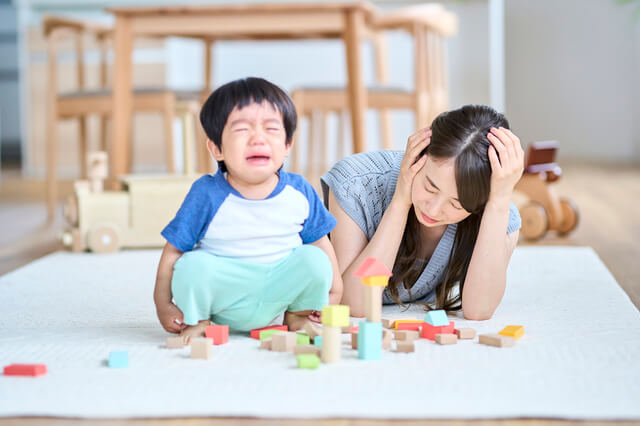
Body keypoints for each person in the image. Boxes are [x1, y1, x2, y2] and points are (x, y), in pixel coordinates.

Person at [154, 77, 342, 340]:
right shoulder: (207, 194)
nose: (258, 139)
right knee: (192, 266)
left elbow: (321, 243)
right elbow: (173, 250)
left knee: (314, 260)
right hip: (224, 290)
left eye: (271, 129)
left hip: (279, 284)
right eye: (242, 130)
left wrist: (333, 293)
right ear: (217, 148)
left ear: (287, 145)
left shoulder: (298, 191)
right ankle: (200, 320)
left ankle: (298, 316)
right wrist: (163, 304)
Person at [321, 104, 523, 320]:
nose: (434, 209)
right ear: (419, 156)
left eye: (456, 204)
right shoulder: (356, 182)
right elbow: (354, 304)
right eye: (429, 187)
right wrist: (400, 201)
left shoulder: (499, 214)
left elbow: (478, 311)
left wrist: (498, 203)